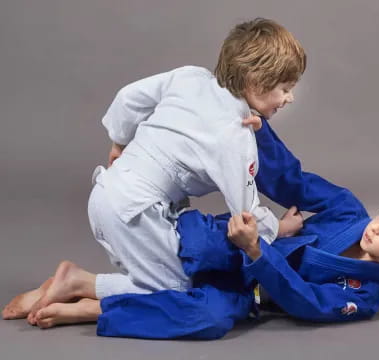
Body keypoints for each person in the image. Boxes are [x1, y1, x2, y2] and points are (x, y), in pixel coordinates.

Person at [2, 118, 379, 340]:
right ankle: (87, 280)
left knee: (209, 317)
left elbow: (305, 301)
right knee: (197, 253)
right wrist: (257, 129)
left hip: (249, 287)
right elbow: (293, 180)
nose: (376, 227)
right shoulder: (347, 213)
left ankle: (90, 300)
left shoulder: (363, 296)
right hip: (229, 246)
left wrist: (261, 253)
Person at [20, 18, 307, 321]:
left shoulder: (190, 77)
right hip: (135, 211)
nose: (290, 97)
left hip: (108, 192)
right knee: (178, 289)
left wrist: (119, 142)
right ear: (256, 83)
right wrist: (279, 228)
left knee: (162, 274)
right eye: (285, 88)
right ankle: (82, 288)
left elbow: (128, 99)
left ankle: (78, 284)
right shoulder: (233, 136)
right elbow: (245, 215)